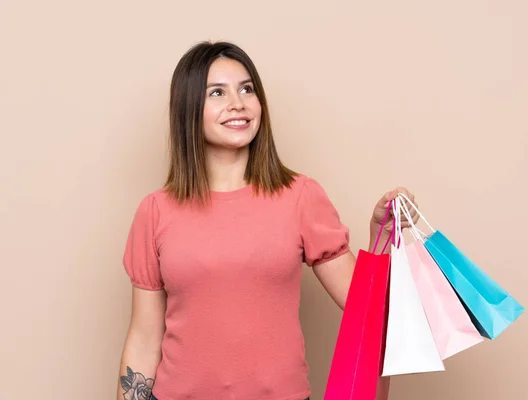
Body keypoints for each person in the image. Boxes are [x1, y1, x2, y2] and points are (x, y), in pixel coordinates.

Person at [116, 40, 419, 400]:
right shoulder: (155, 211)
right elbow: (144, 339)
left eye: (247, 89)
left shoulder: (300, 196)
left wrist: (382, 238)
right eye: (217, 92)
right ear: (188, 108)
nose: (238, 103)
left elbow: (369, 311)